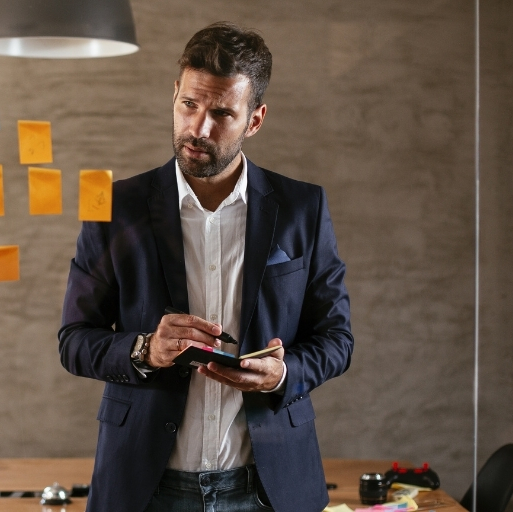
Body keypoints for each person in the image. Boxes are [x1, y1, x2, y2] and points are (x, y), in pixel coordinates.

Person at [58, 22, 353, 512]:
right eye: (189, 105)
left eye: (221, 113)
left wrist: (281, 374)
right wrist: (145, 348)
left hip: (269, 489)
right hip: (144, 487)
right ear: (175, 93)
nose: (198, 129)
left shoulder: (303, 208)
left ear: (254, 120)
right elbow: (73, 341)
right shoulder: (112, 208)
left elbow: (338, 339)